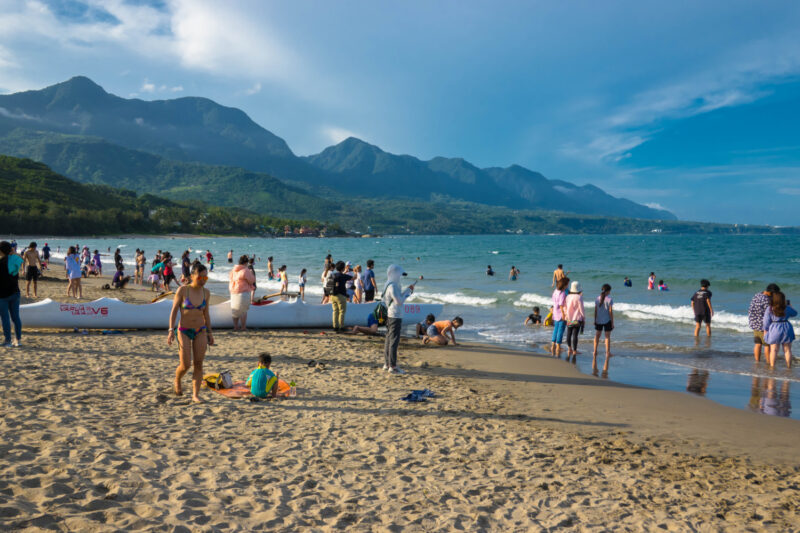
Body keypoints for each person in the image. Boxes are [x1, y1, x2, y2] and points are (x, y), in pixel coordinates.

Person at [168, 262, 214, 402]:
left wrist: (210, 333)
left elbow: (206, 314)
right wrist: (171, 330)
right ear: (192, 276)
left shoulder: (206, 293)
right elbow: (174, 311)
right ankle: (177, 379)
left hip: (200, 330)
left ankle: (195, 395)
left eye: (206, 278)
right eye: (201, 278)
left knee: (199, 363)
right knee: (186, 364)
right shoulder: (183, 291)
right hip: (183, 330)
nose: (203, 281)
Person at [383, 264, 415, 374]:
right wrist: (407, 292)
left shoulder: (389, 284)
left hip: (391, 314)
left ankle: (387, 364)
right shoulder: (392, 286)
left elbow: (398, 298)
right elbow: (399, 301)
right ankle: (393, 366)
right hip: (395, 315)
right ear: (395, 274)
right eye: (400, 274)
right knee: (393, 341)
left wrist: (407, 291)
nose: (400, 277)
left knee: (389, 339)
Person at [763, 291, 796, 369]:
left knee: (773, 350)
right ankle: (788, 367)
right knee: (787, 350)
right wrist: (790, 306)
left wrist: (765, 331)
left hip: (774, 328)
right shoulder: (786, 307)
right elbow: (795, 313)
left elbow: (766, 322)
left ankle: (772, 367)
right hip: (786, 327)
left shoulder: (770, 308)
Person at [749, 284, 780, 362]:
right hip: (764, 325)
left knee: (757, 344)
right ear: (771, 292)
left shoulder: (757, 295)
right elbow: (770, 313)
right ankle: (768, 363)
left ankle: (757, 362)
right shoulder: (767, 300)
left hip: (754, 323)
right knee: (767, 345)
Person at [0, 241, 23, 347]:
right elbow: (22, 259)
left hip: (2, 295)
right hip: (15, 292)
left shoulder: (0, 262)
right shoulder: (15, 260)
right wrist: (13, 252)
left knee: (5, 318)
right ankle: (18, 340)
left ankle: (8, 341)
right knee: (16, 318)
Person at [229, 255, 256, 331]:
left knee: (235, 310)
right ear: (246, 262)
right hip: (243, 291)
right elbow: (251, 280)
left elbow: (231, 279)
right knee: (243, 310)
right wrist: (252, 274)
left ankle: (235, 327)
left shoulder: (233, 270)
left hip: (233, 291)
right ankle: (243, 327)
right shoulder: (245, 270)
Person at [593, 284, 614, 376]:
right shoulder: (609, 299)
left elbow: (595, 310)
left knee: (597, 335)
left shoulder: (597, 298)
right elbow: (610, 311)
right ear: (608, 291)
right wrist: (612, 322)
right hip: (607, 320)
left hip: (598, 320)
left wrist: (595, 320)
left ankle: (595, 351)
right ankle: (607, 353)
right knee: (607, 337)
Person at [565, 281, 585, 360]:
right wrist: (583, 318)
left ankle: (569, 349)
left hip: (569, 318)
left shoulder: (568, 296)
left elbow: (565, 307)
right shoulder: (579, 297)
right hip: (577, 319)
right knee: (575, 335)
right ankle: (575, 350)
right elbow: (581, 309)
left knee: (569, 333)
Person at [550, 277, 569, 357]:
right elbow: (561, 305)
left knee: (556, 329)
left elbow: (554, 301)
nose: (568, 285)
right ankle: (558, 346)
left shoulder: (556, 291)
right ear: (564, 285)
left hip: (555, 312)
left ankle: (553, 345)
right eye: (567, 284)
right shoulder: (562, 293)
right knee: (560, 330)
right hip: (560, 313)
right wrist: (564, 315)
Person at [330, 261, 349, 332]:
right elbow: (354, 278)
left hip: (332, 295)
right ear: (343, 268)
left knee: (335, 311)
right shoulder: (343, 276)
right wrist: (354, 271)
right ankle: (341, 327)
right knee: (342, 311)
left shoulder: (333, 275)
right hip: (341, 296)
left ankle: (335, 326)